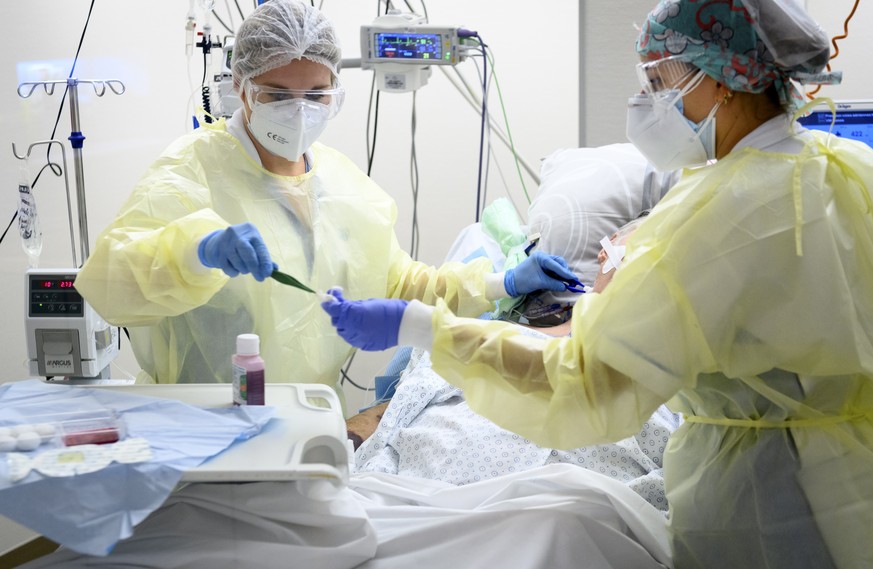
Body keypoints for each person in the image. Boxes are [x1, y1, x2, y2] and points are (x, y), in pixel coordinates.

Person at [322, 1, 873, 567]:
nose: (645, 100)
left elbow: (587, 386)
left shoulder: (711, 217)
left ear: (722, 80)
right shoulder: (852, 169)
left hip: (763, 501)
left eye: (658, 81)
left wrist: (423, 327)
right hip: (854, 486)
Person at [73, 0, 577, 393]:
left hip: (311, 422)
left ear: (336, 93)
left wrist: (502, 281)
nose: (298, 111)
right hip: (203, 426)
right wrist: (194, 252)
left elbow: (403, 283)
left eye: (315, 95)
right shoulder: (190, 171)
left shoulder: (343, 184)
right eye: (276, 94)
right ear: (242, 88)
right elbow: (107, 284)